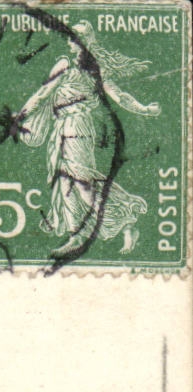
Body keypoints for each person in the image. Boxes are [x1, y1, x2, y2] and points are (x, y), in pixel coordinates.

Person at [12, 22, 160, 256]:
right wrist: (21, 116)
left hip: (78, 127)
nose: (70, 41)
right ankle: (77, 235)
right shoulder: (64, 64)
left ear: (85, 41)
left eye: (75, 37)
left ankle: (125, 221)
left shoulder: (96, 70)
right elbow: (42, 94)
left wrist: (144, 109)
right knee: (65, 182)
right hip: (61, 128)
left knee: (82, 184)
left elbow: (119, 96)